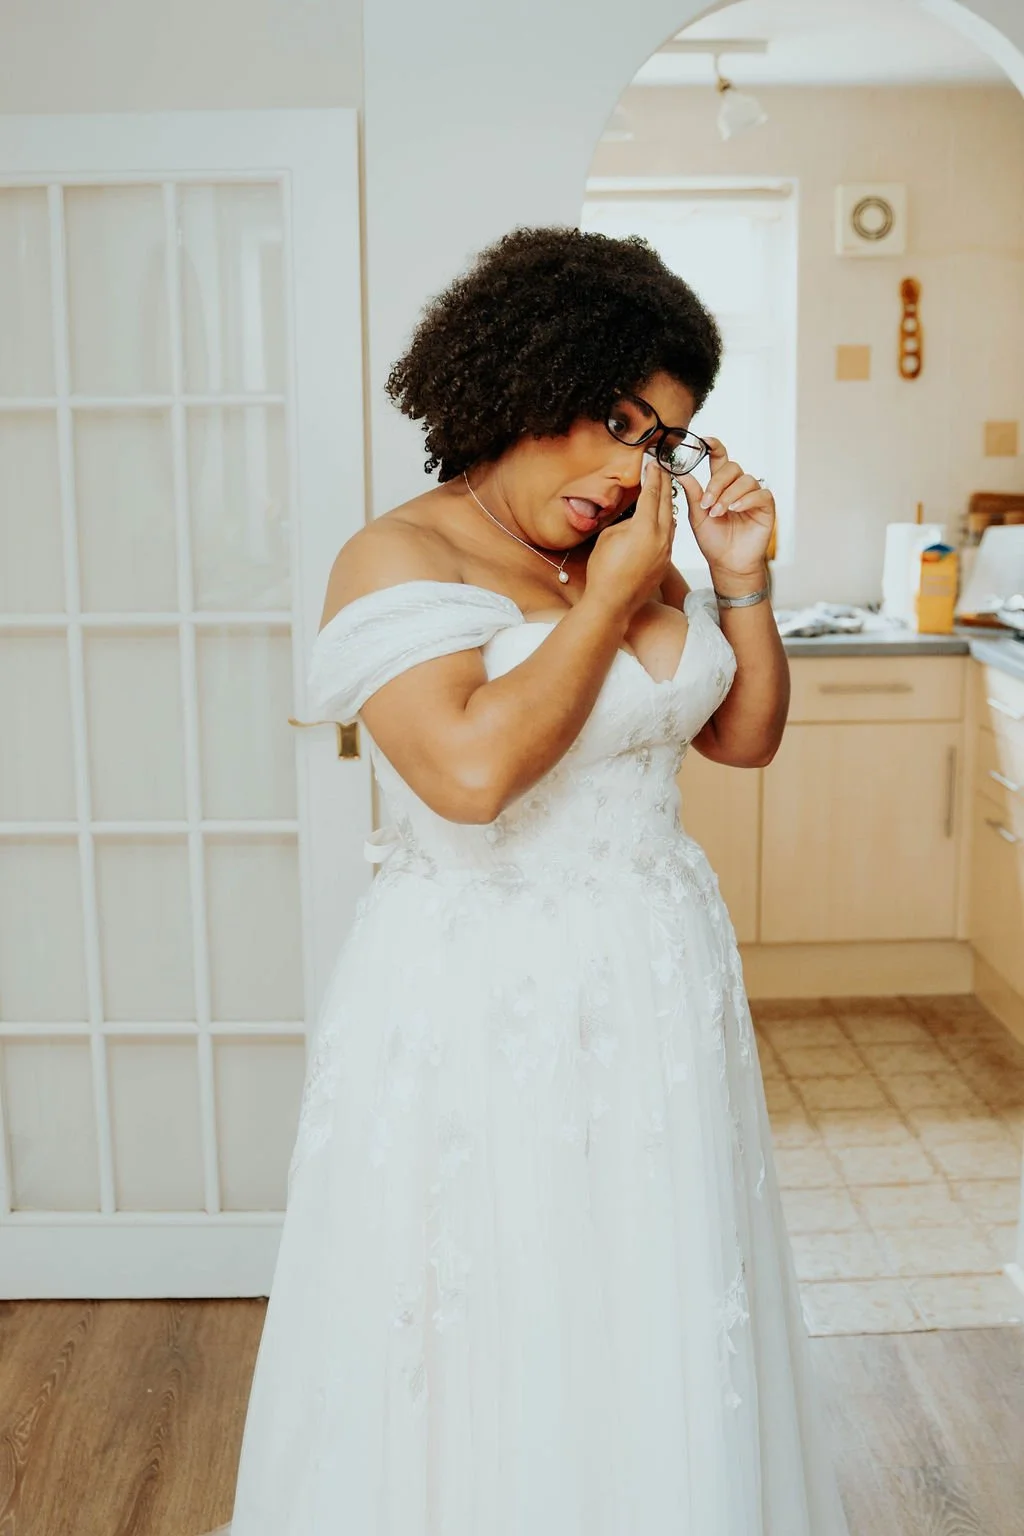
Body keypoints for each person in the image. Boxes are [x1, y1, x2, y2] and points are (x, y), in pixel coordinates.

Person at [199, 226, 850, 1535]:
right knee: (500, 1297)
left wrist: (740, 583)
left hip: (660, 985)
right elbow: (470, 774)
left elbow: (740, 737)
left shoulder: (635, 555)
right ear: (527, 377)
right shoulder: (400, 557)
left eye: (660, 442)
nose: (630, 469)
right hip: (486, 991)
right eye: (616, 422)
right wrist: (609, 603)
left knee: (654, 1294)